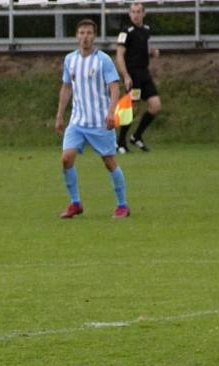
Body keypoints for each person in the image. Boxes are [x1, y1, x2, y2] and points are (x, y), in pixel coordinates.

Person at [55, 19, 130, 219]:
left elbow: (114, 86)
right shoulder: (70, 59)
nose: (85, 36)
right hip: (77, 122)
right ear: (76, 36)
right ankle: (75, 203)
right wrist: (60, 115)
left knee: (109, 161)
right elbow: (66, 87)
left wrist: (111, 112)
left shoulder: (102, 60)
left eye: (89, 33)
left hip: (99, 121)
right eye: (82, 33)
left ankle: (123, 205)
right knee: (66, 158)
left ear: (94, 36)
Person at [115, 2, 162, 153]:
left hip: (144, 74)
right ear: (129, 14)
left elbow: (142, 47)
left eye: (138, 12)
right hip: (133, 75)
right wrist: (126, 75)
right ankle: (120, 142)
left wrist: (152, 52)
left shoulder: (146, 30)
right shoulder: (126, 32)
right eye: (133, 12)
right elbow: (119, 55)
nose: (135, 14)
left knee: (155, 105)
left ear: (143, 13)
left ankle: (136, 136)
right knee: (131, 108)